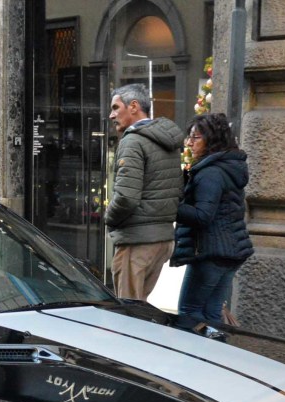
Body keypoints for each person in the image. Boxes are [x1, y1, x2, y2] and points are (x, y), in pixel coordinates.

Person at [171, 113, 254, 339]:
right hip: (230, 251)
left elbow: (202, 215)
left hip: (211, 252)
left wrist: (171, 205)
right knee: (211, 314)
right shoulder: (228, 167)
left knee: (189, 313)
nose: (189, 143)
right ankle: (215, 363)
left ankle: (193, 367)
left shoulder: (210, 173)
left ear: (212, 139)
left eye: (195, 138)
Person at [105, 83, 185, 301]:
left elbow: (126, 197)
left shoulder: (133, 140)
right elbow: (177, 189)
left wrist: (108, 219)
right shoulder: (166, 140)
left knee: (128, 315)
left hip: (137, 240)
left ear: (133, 106)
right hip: (162, 239)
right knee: (139, 309)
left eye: (115, 108)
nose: (111, 115)